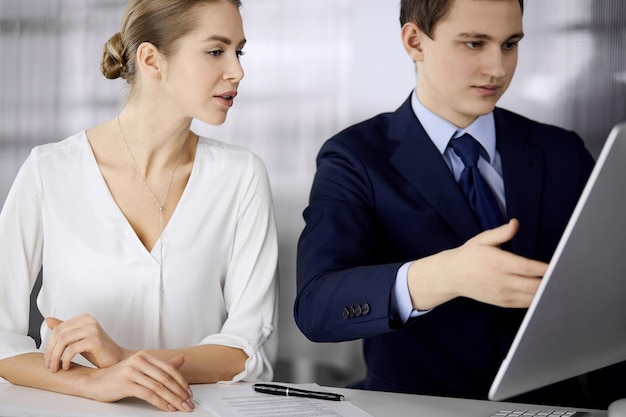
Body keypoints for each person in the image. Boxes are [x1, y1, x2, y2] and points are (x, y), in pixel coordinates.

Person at [295, 0, 621, 408]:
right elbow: (317, 307)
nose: (498, 68)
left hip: (551, 407)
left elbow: (605, 296)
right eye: (473, 44)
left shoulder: (562, 151)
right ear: (415, 41)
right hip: (416, 407)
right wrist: (446, 275)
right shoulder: (355, 156)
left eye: (510, 44)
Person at [0, 0, 278, 413]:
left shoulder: (242, 176)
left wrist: (123, 358)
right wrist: (94, 382)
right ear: (152, 60)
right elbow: (3, 342)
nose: (237, 71)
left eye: (239, 51)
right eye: (216, 51)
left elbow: (245, 348)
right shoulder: (49, 171)